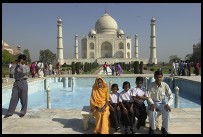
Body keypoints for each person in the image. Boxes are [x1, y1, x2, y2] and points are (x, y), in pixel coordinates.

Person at [4, 54, 30, 118]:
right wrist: (14, 65)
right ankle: (10, 112)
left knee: (23, 98)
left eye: (21, 60)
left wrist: (20, 65)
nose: (20, 61)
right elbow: (11, 72)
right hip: (16, 83)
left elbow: (24, 72)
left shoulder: (26, 67)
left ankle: (23, 111)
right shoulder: (15, 66)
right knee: (13, 98)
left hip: (23, 82)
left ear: (24, 60)